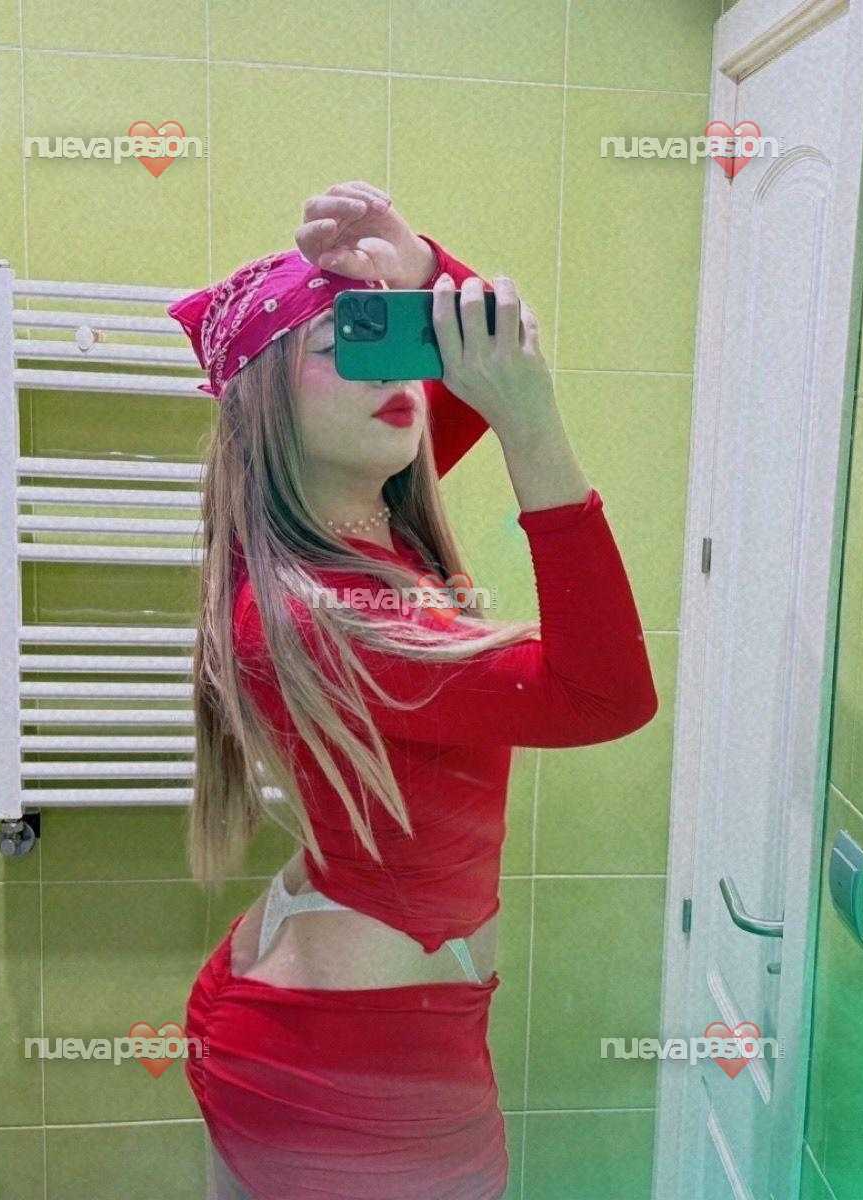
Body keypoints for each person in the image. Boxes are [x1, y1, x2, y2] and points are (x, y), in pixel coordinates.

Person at [168, 181, 659, 1200]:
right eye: (340, 343)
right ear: (266, 406)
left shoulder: (355, 517)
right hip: (347, 1074)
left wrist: (424, 269)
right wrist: (533, 425)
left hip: (345, 1032)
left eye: (387, 334)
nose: (389, 366)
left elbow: (482, 360)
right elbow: (606, 696)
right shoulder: (319, 615)